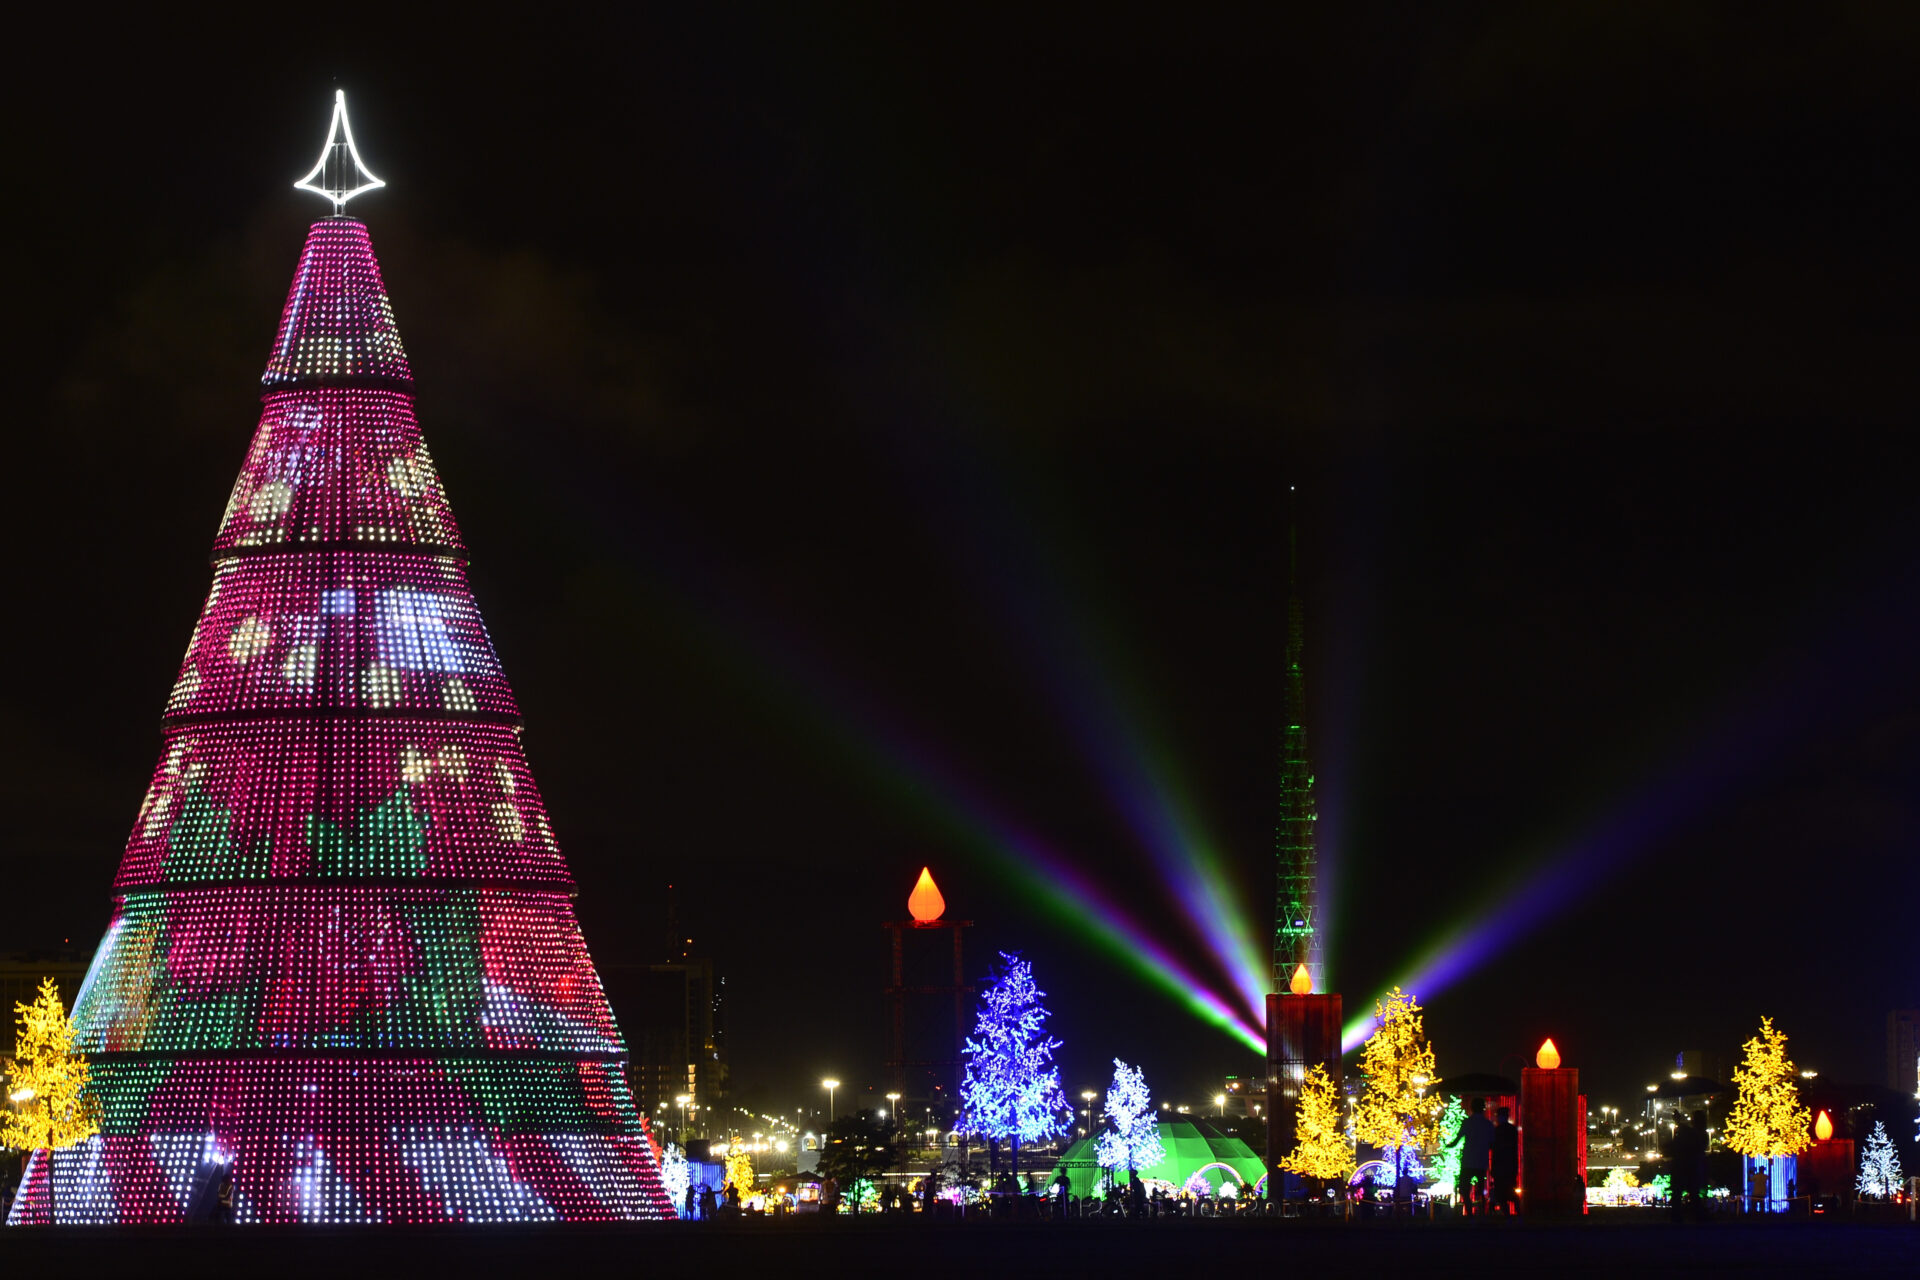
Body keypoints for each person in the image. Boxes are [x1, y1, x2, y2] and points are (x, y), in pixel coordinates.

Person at [1454, 1097, 1495, 1216]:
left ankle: (1470, 1213)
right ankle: (1482, 1213)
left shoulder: (1467, 1122)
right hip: (1481, 1161)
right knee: (1481, 1189)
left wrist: (1450, 1144)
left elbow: (1457, 1139)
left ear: (1471, 1108)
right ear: (1483, 1108)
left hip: (1468, 1160)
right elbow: (1492, 1143)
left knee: (1464, 1189)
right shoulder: (1488, 1124)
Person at [1667, 1111, 1708, 1222]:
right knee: (1692, 1193)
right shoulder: (1702, 1134)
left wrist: (1679, 1121)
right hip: (1693, 1168)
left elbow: (1688, 1134)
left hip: (1685, 1167)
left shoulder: (1696, 1134)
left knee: (1679, 1192)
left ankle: (1678, 1217)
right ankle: (1698, 1216)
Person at [1489, 1106, 1519, 1216]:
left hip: (1499, 1166)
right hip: (1510, 1165)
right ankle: (1517, 1212)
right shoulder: (1512, 1130)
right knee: (1510, 1190)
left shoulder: (1497, 1130)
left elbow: (1494, 1148)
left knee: (1501, 1193)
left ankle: (1507, 1215)